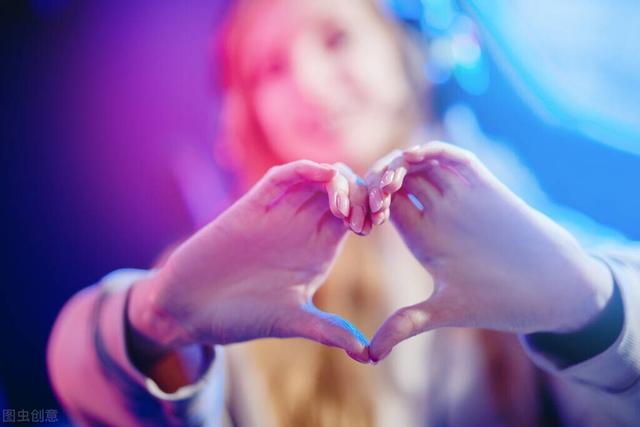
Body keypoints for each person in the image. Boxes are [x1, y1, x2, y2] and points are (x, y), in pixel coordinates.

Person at [47, 0, 640, 426]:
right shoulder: (221, 278)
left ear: (405, 52)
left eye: (335, 38)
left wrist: (590, 310)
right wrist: (151, 324)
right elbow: (96, 392)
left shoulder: (523, 226)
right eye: (269, 69)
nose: (308, 84)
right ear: (246, 114)